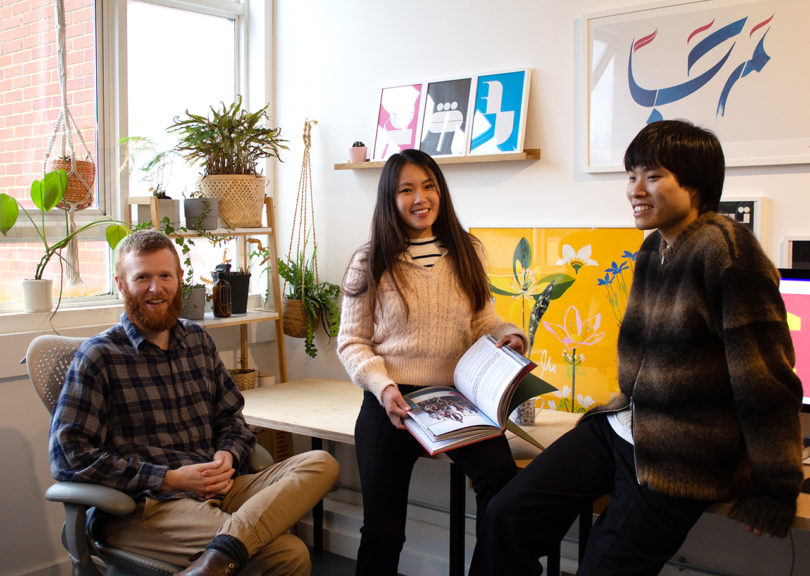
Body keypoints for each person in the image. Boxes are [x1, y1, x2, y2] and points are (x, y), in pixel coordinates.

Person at [469, 120, 805, 576]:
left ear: (697, 183)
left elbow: (766, 380)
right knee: (505, 516)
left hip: (678, 455)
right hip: (621, 428)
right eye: (631, 176)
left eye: (653, 175)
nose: (635, 190)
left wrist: (777, 486)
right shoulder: (653, 250)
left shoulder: (728, 254)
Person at [49, 229, 339, 576]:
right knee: (287, 553)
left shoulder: (197, 340)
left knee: (320, 462)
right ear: (121, 284)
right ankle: (220, 557)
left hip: (218, 487)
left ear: (180, 279)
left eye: (164, 276)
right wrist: (170, 478)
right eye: (142, 277)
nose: (156, 288)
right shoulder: (99, 356)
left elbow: (231, 418)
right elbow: (69, 457)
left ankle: (214, 560)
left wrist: (227, 455)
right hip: (146, 506)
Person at [337, 148, 528, 575]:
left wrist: (508, 335)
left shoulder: (467, 251)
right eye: (406, 189)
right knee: (383, 531)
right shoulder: (369, 260)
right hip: (392, 403)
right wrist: (383, 387)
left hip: (453, 400)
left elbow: (483, 319)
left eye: (428, 186)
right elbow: (352, 343)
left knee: (502, 487)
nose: (420, 198)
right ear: (390, 198)